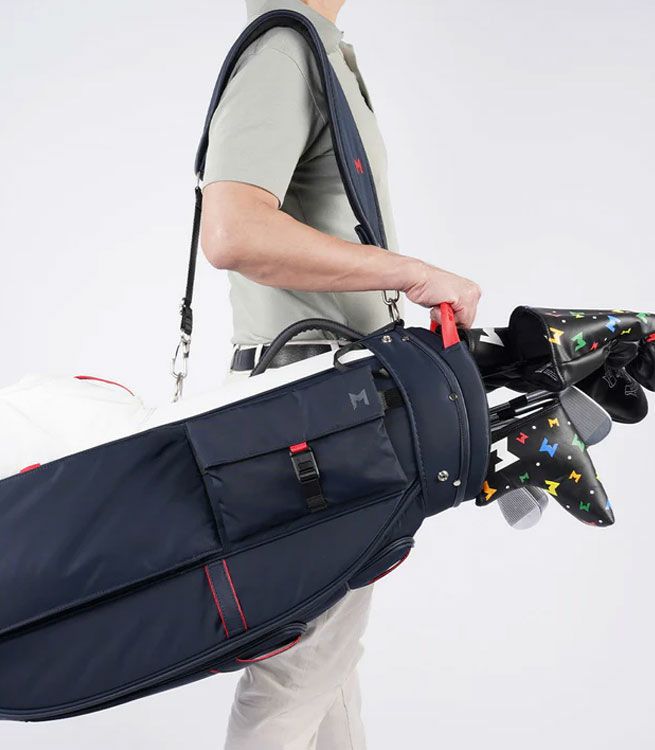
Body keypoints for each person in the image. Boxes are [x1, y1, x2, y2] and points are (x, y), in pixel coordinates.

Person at [200, 1, 481, 747]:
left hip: (323, 405)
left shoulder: (316, 50)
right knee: (299, 669)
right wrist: (409, 273)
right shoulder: (284, 52)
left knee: (326, 658)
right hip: (308, 418)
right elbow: (232, 231)